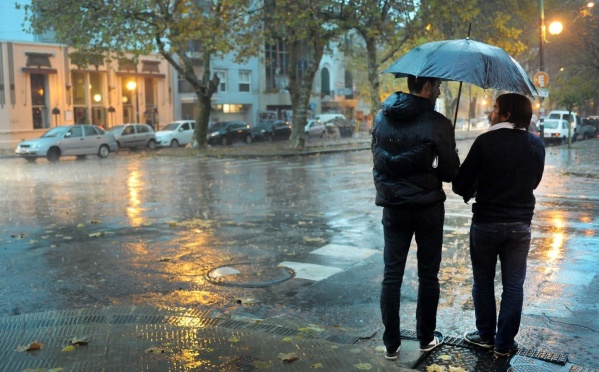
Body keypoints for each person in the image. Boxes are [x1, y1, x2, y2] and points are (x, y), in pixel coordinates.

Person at [371, 75, 460, 360]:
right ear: (426, 87)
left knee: (392, 274)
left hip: (394, 207)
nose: (439, 91)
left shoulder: (381, 118)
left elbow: (379, 161)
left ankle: (391, 345)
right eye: (437, 86)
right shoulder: (439, 123)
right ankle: (425, 338)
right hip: (427, 209)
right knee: (428, 275)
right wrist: (447, 152)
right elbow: (449, 173)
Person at [452, 93, 545, 357]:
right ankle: (504, 343)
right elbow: (534, 181)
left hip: (486, 223)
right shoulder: (536, 145)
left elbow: (460, 185)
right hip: (519, 225)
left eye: (495, 108)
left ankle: (485, 336)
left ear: (506, 114)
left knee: (483, 282)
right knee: (513, 286)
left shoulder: (485, 141)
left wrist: (469, 177)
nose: (491, 113)